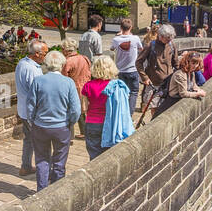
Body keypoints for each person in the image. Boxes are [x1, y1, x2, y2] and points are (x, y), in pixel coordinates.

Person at [16, 45, 82, 192]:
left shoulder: (38, 81)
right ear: (62, 64)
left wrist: (34, 121)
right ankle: (56, 190)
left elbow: (31, 106)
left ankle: (42, 190)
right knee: (59, 161)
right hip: (61, 127)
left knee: (42, 160)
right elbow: (76, 110)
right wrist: (69, 123)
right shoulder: (68, 83)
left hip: (41, 126)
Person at [94, 57, 135, 154]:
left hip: (94, 122)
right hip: (113, 127)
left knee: (95, 156)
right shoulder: (119, 87)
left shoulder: (90, 85)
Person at [80, 58, 114, 159]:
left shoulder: (88, 86)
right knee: (108, 154)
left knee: (94, 155)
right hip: (109, 122)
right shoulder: (114, 85)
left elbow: (84, 108)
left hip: (92, 123)